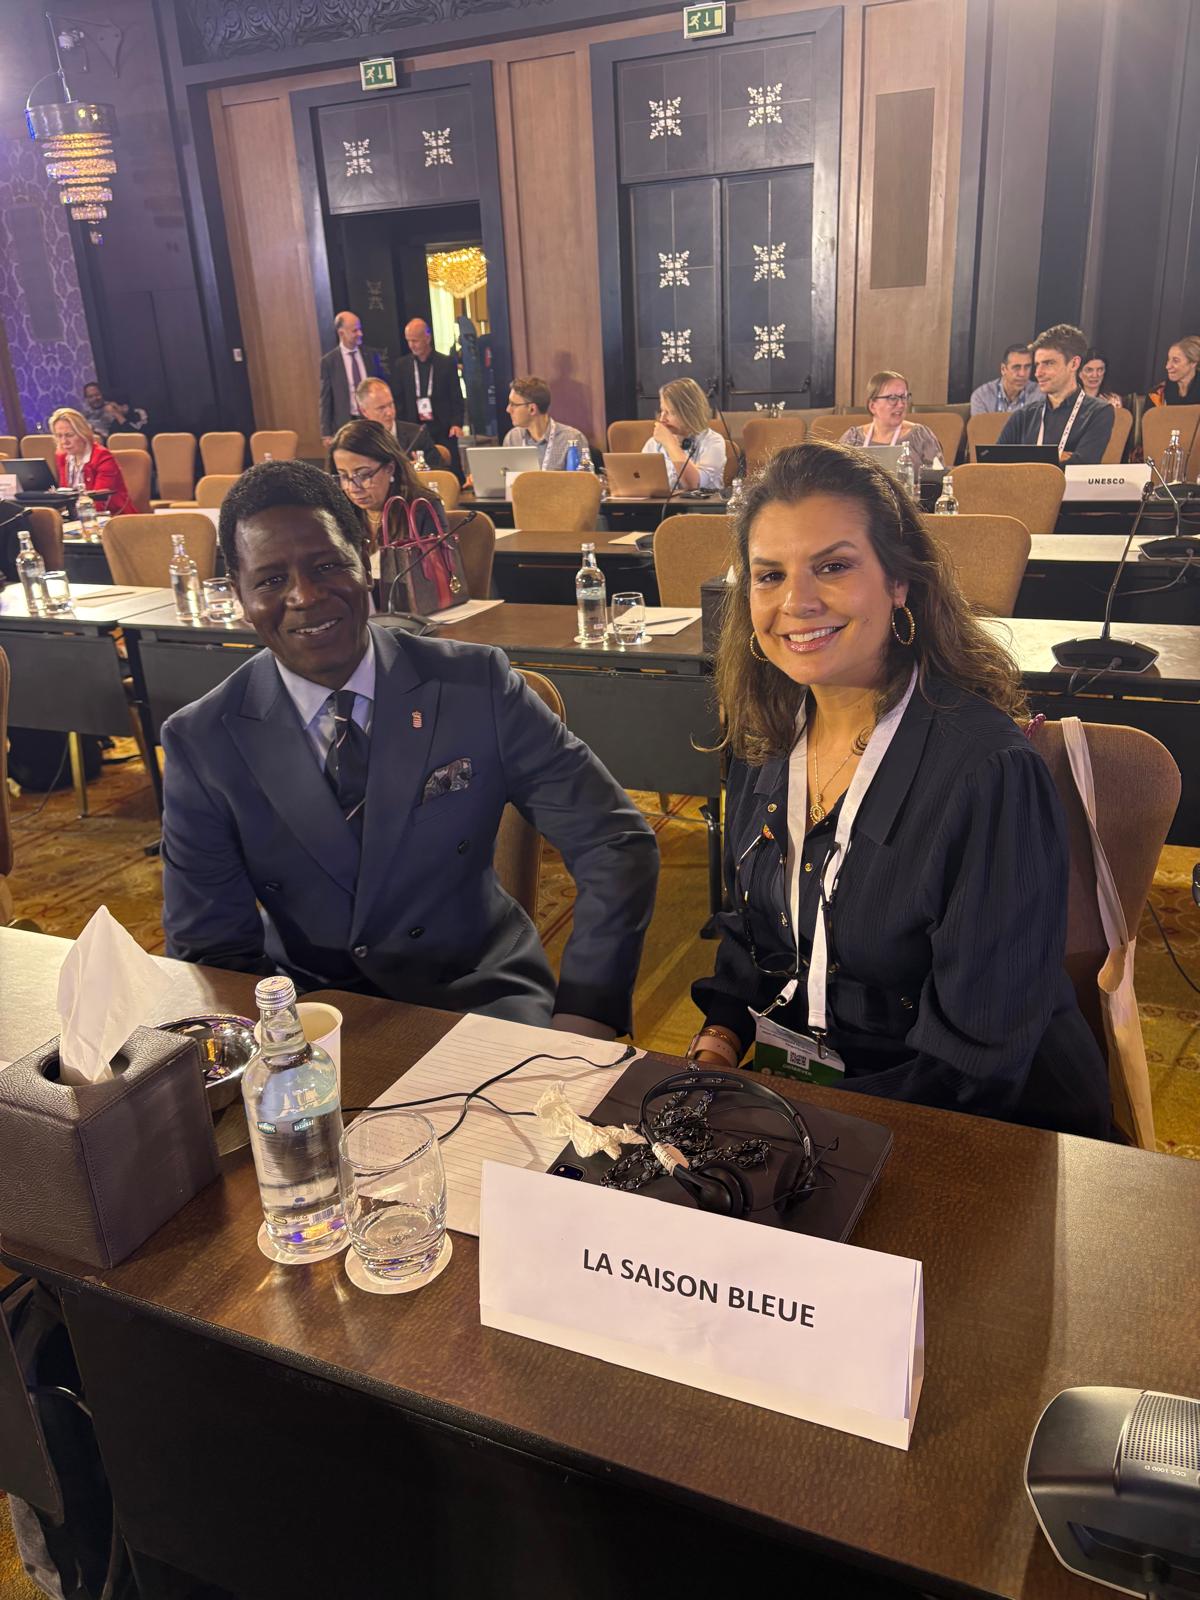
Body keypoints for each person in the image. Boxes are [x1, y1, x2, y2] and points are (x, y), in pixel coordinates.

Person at [689, 441, 1109, 1137]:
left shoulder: (987, 775)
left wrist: (808, 1134)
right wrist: (718, 1042)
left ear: (899, 582)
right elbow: (755, 933)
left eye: (833, 566)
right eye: (769, 575)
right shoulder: (766, 741)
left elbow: (977, 1064)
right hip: (818, 1100)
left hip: (978, 1127)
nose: (796, 601)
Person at [159, 461, 659, 1035]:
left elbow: (613, 841)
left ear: (365, 558)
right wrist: (277, 1050)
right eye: (271, 580)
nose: (305, 596)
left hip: (480, 995)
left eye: (327, 565)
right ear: (240, 594)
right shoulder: (203, 740)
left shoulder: (475, 685)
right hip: (314, 1015)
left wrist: (587, 1012)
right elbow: (211, 951)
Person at [997, 323, 1114, 464]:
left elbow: (1081, 466)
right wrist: (1057, 456)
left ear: (1074, 364)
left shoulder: (1099, 412)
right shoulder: (1023, 416)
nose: (1038, 373)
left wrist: (1024, 458)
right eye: (1037, 364)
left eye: (1049, 363)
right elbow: (994, 465)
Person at [328, 417, 445, 549]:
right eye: (344, 476)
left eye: (363, 475)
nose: (352, 488)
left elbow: (435, 561)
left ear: (390, 468)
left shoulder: (423, 508)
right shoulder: (341, 510)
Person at [396, 318, 465, 475]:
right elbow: (399, 400)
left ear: (427, 338)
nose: (411, 345)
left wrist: (456, 423)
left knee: (449, 468)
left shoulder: (446, 363)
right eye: (408, 341)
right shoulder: (402, 366)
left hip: (443, 426)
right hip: (414, 429)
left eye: (415, 340)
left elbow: (456, 396)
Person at [838, 372, 943, 468]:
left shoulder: (920, 436)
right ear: (872, 406)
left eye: (904, 397)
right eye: (892, 398)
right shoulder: (853, 438)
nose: (901, 404)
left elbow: (938, 477)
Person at [641, 377, 726, 491]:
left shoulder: (713, 441)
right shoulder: (654, 443)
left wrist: (670, 444)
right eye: (662, 411)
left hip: (699, 503)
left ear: (689, 412)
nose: (662, 418)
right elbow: (640, 482)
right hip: (661, 503)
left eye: (670, 412)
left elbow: (694, 484)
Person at [48, 408, 135, 515]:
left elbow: (98, 502)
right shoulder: (62, 456)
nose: (64, 441)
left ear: (83, 433)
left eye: (69, 435)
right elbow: (65, 495)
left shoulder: (102, 457)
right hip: (77, 516)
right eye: (59, 436)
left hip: (113, 517)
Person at [319, 311, 388, 445]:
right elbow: (325, 398)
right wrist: (326, 432)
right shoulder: (329, 361)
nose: (360, 334)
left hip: (371, 420)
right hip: (346, 422)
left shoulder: (371, 355)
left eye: (360, 329)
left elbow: (381, 388)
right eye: (355, 331)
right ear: (341, 333)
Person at [502, 376, 589, 470]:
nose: (508, 409)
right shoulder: (512, 438)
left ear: (532, 409)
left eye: (513, 404)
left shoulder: (572, 439)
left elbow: (584, 478)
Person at [969, 344, 1039, 414]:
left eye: (1027, 367)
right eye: (1016, 367)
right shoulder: (982, 397)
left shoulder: (1039, 394)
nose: (1022, 374)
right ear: (1003, 369)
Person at [1147, 335, 1200, 406]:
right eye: (1168, 360)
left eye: (1176, 361)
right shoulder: (1157, 394)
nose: (1167, 366)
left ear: (1193, 363)